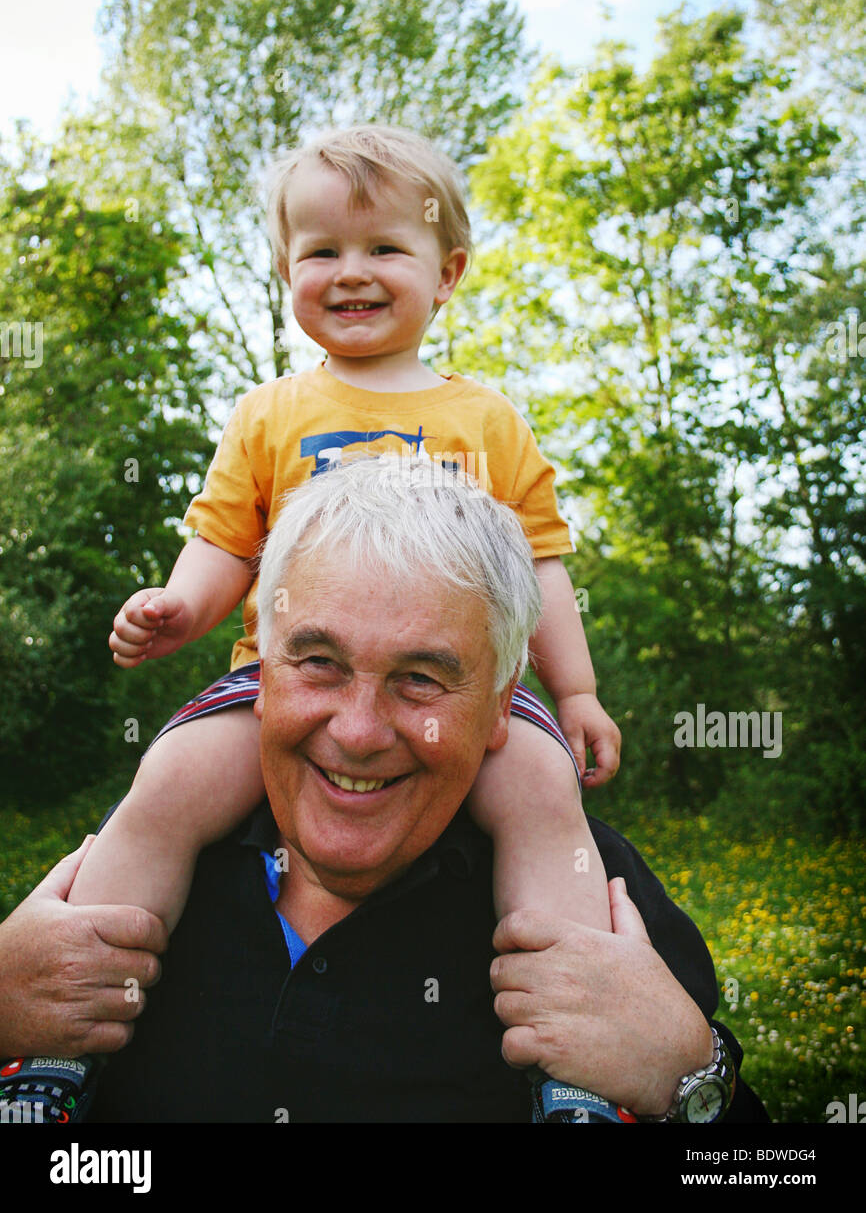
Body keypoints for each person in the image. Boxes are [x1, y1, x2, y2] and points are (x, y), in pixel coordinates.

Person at [0, 455, 767, 1122]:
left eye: (421, 678)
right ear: (258, 675)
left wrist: (695, 1086)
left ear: (503, 704)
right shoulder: (136, 865)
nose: (360, 732)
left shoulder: (594, 897)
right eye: (319, 662)